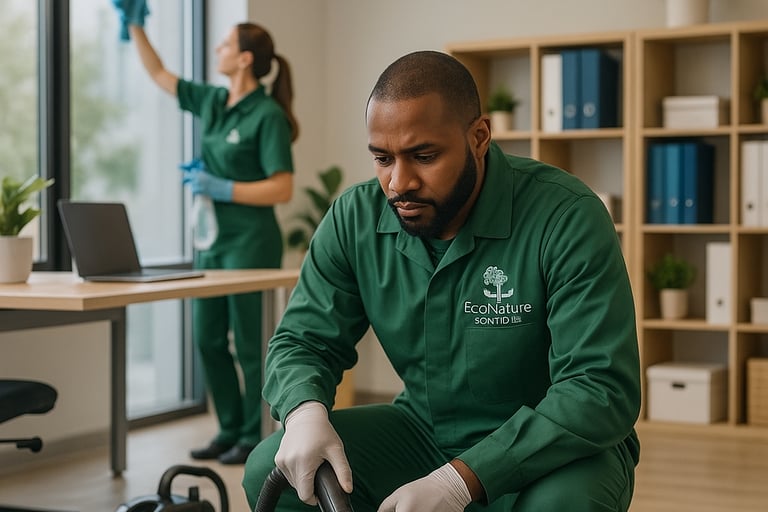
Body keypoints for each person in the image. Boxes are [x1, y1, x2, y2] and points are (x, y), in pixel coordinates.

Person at [243, 49, 640, 511]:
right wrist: (304, 411)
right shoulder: (354, 218)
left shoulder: (565, 216)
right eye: (382, 158)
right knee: (273, 467)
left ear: (479, 137)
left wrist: (461, 481)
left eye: (423, 156)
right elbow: (302, 341)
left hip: (556, 447)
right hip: (424, 432)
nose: (398, 182)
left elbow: (599, 387)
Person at [112, 1, 297, 464]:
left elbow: (282, 186)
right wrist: (136, 25)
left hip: (251, 241)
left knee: (249, 344)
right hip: (212, 243)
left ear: (245, 58)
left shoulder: (266, 115)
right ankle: (228, 428)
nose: (217, 48)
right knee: (208, 339)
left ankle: (255, 435)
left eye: (224, 44)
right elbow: (160, 75)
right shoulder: (215, 101)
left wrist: (224, 186)